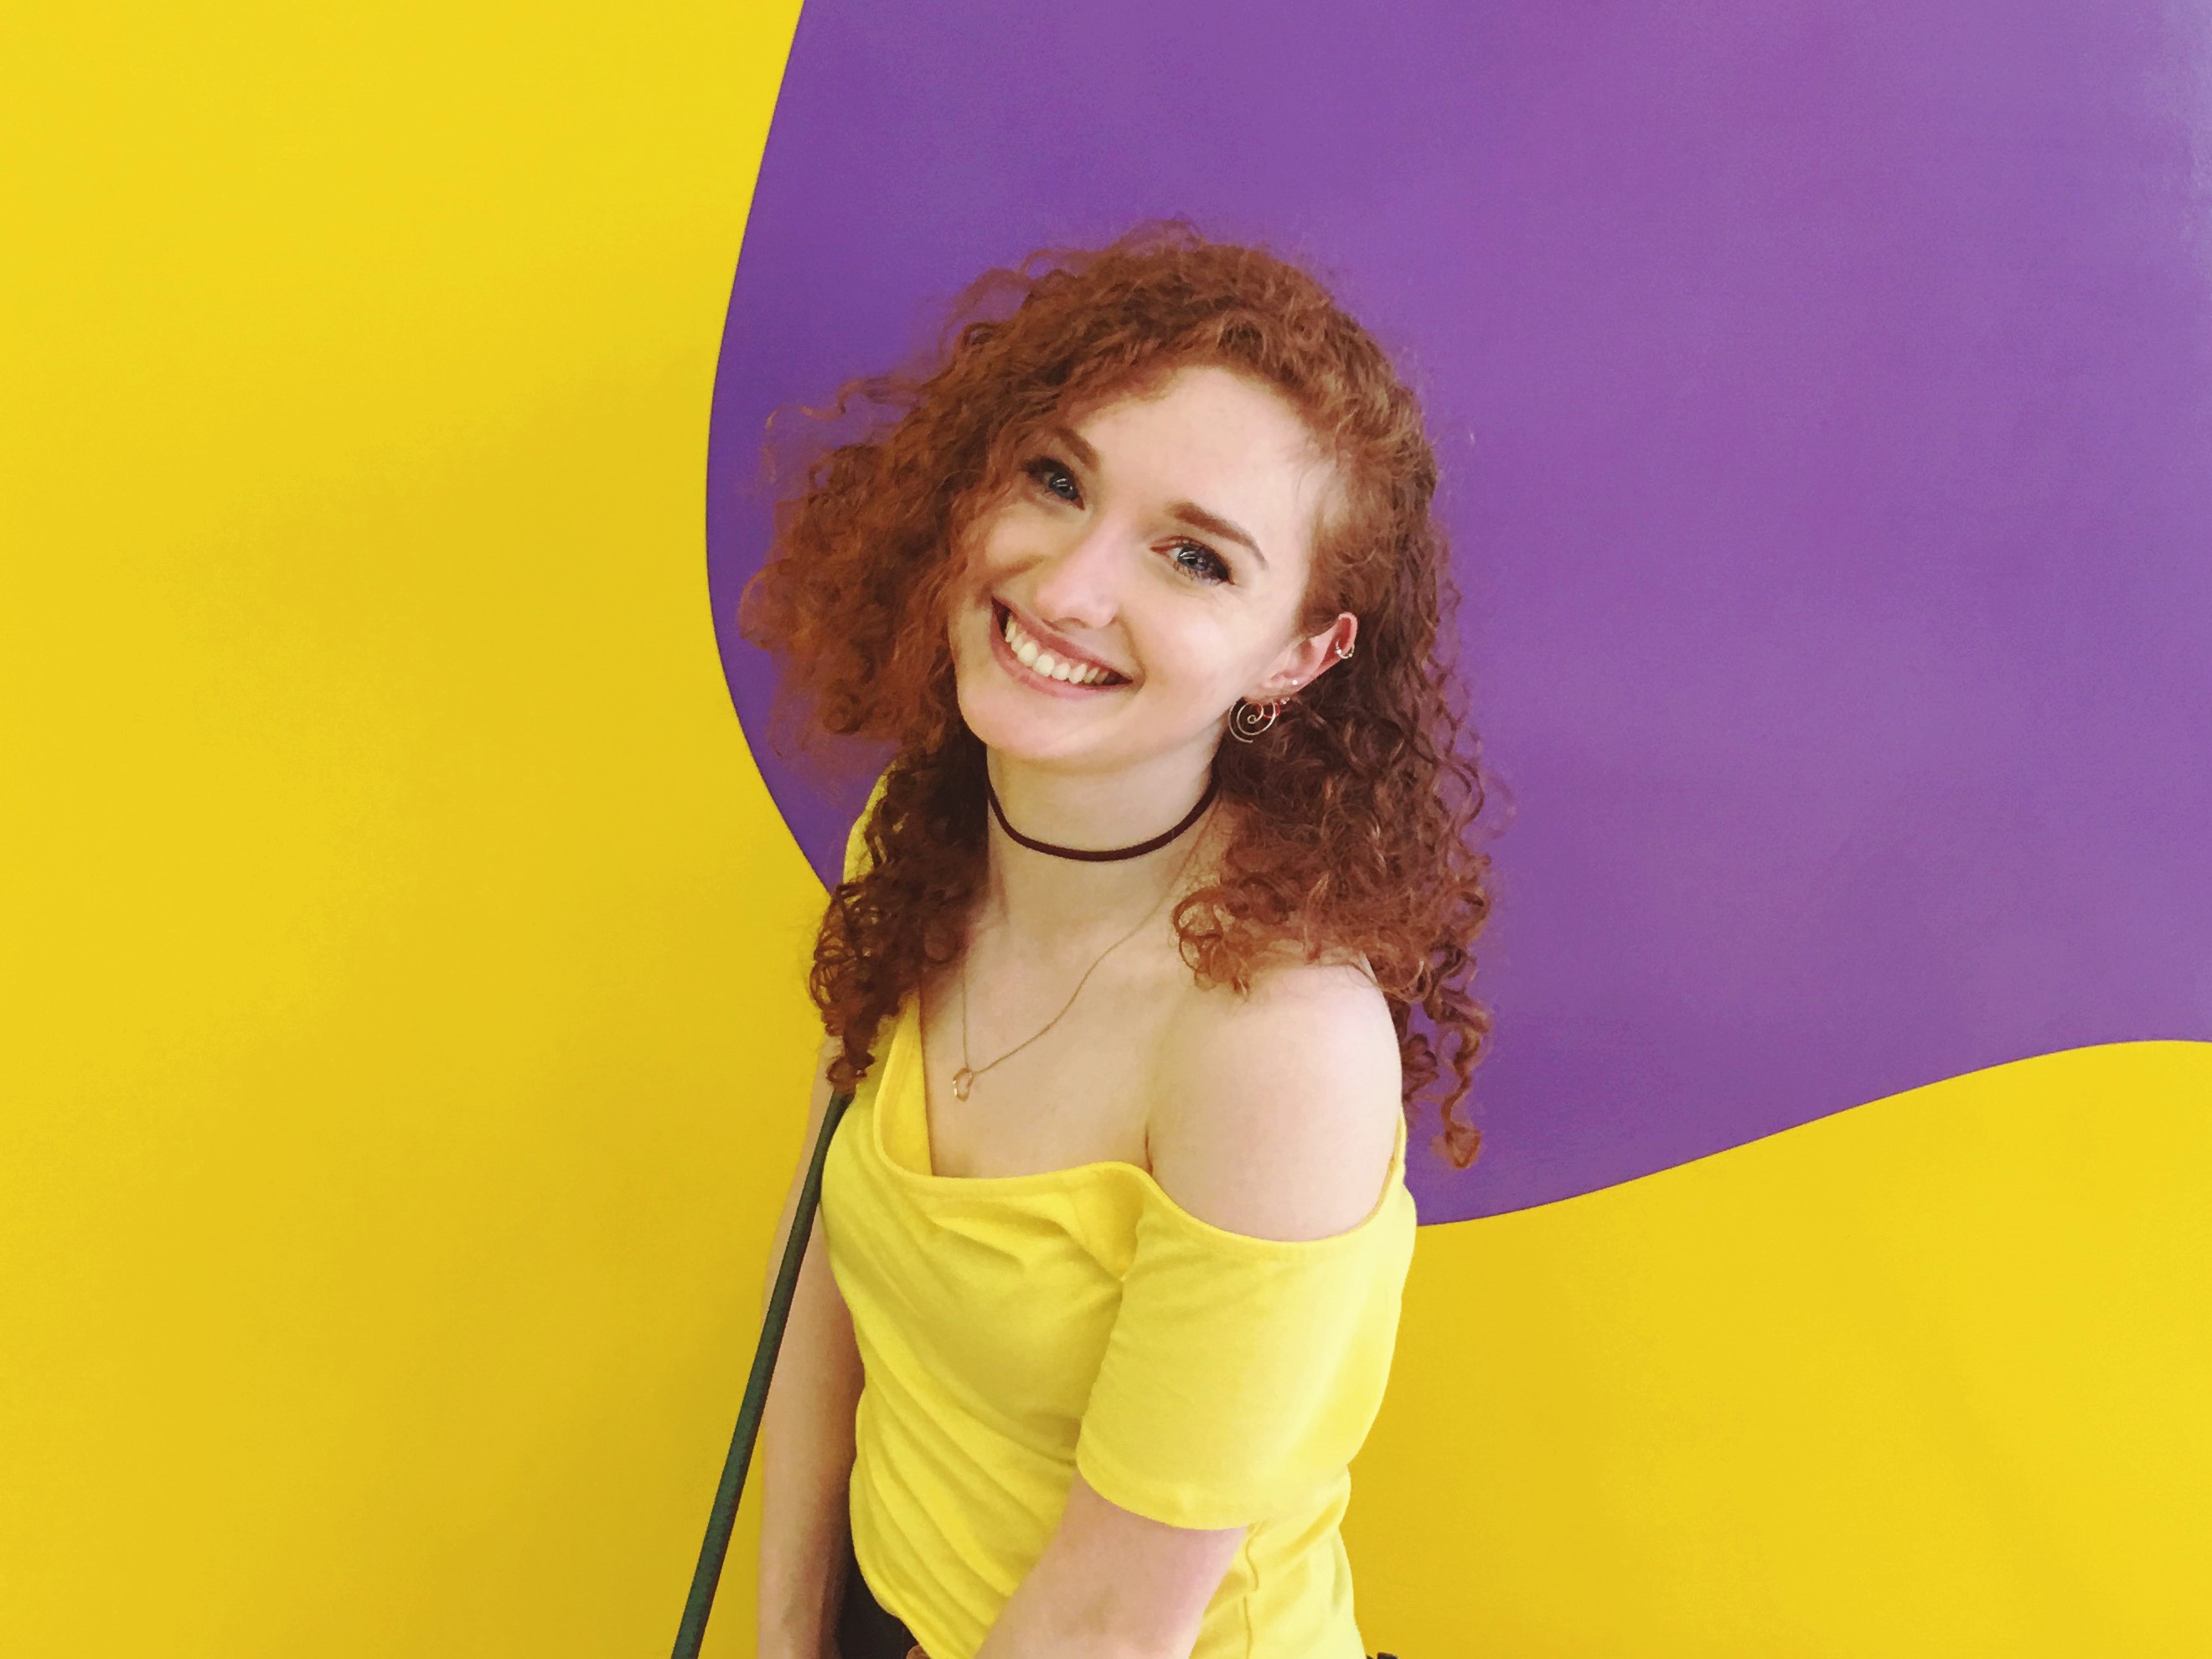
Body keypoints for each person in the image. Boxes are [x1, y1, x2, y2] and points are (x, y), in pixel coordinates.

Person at [741, 220, 1494, 1659]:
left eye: (1195, 561)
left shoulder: (1277, 1046)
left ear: (1299, 654)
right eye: (1054, 477)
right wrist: (786, 1636)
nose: (1069, 589)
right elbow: (836, 1243)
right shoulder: (925, 830)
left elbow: (1102, 1627)